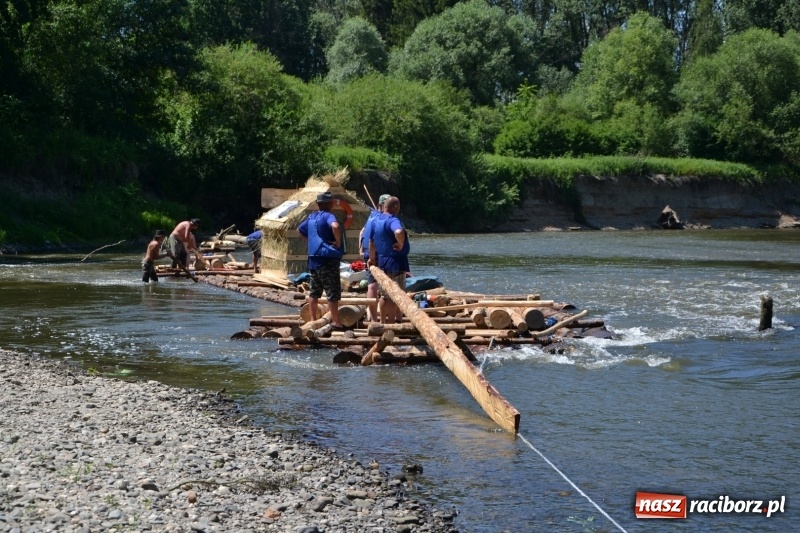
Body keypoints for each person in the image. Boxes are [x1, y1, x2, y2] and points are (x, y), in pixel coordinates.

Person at [297, 192, 345, 329]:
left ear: (318, 204)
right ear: (329, 204)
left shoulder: (312, 217)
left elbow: (299, 230)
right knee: (332, 292)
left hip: (313, 259)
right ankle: (336, 322)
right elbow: (335, 226)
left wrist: (310, 241)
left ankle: (313, 320)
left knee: (314, 291)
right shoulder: (329, 216)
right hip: (327, 259)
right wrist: (338, 241)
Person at [368, 196, 410, 324]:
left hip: (382, 261)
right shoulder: (393, 220)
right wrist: (401, 244)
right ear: (395, 207)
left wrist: (372, 258)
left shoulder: (376, 220)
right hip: (395, 262)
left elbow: (371, 242)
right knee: (394, 295)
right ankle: (391, 325)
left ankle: (382, 323)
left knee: (384, 294)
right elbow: (398, 231)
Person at [359, 194, 390, 322]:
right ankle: (383, 317)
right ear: (381, 205)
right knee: (380, 286)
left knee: (372, 286)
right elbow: (373, 239)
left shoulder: (371, 217)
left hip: (369, 253)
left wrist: (360, 249)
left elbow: (362, 232)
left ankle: (373, 317)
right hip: (377, 254)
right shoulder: (382, 218)